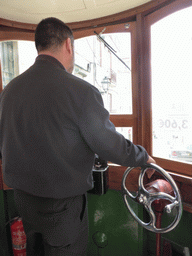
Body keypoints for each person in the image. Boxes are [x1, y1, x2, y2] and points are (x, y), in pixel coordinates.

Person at [0, 17, 155, 256]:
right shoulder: (80, 92)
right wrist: (143, 157)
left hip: (23, 200)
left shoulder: (9, 91)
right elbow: (107, 144)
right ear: (68, 45)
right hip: (60, 207)